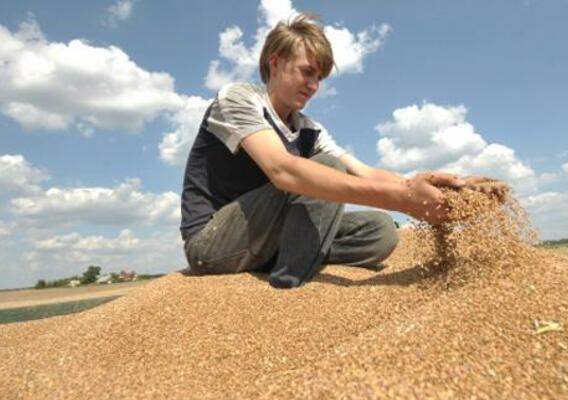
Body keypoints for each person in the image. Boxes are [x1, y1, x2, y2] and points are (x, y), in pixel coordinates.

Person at [180, 13, 506, 288]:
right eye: (307, 71)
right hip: (213, 243)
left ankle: (292, 257)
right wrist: (405, 201)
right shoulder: (237, 99)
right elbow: (282, 171)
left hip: (269, 241)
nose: (313, 85)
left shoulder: (309, 128)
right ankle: (288, 285)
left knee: (380, 231)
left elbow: (367, 173)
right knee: (329, 166)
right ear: (275, 62)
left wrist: (448, 188)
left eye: (319, 77)